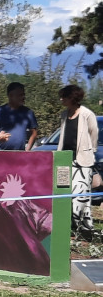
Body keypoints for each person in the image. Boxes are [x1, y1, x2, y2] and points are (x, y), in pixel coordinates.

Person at [57, 84, 99, 241]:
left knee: (80, 197)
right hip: (64, 161)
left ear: (72, 98)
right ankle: (67, 227)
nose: (61, 99)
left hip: (82, 163)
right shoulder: (63, 115)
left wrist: (90, 151)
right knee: (63, 194)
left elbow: (93, 133)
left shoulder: (87, 114)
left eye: (64, 97)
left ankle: (81, 229)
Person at [0, 82, 39, 150]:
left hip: (20, 154)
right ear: (10, 95)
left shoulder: (28, 113)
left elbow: (34, 133)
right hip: (0, 154)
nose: (23, 97)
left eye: (24, 95)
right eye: (20, 95)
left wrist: (27, 150)